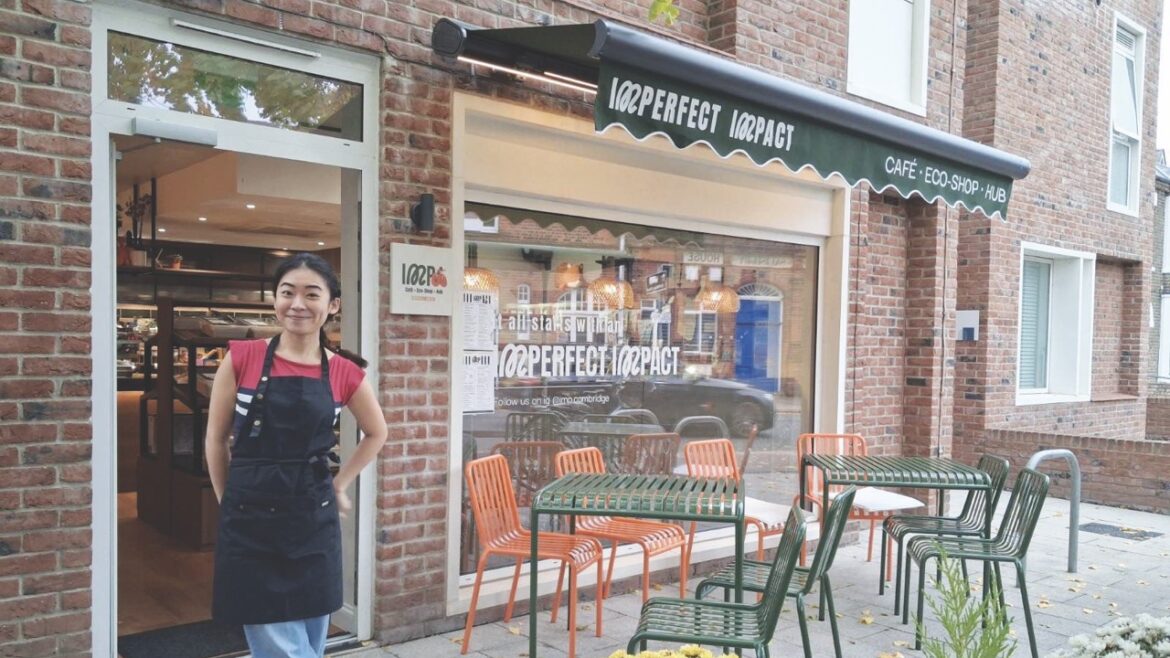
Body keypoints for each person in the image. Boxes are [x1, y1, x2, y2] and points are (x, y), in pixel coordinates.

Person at [204, 253, 387, 658]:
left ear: (332, 305)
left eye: (311, 294)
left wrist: (340, 484)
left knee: (310, 627)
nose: (297, 304)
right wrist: (226, 499)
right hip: (249, 515)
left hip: (310, 511)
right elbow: (216, 440)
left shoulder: (344, 371)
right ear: (275, 300)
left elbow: (377, 433)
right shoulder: (241, 357)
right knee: (276, 641)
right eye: (287, 293)